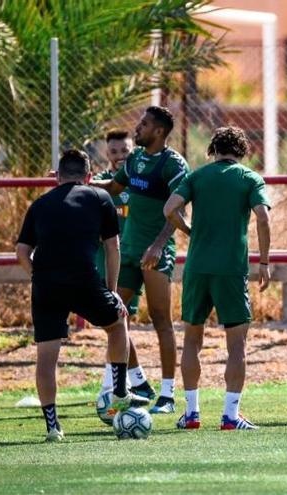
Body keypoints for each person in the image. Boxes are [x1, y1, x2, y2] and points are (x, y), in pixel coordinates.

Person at [16, 150, 149, 442]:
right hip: (84, 279)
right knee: (117, 324)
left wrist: (38, 275)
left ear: (58, 177)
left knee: (47, 356)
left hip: (46, 284)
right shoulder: (100, 198)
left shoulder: (39, 204)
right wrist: (113, 292)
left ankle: (53, 426)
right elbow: (113, 248)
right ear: (89, 176)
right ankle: (119, 392)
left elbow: (22, 252)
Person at [162, 126, 271, 430]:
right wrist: (264, 261)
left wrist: (189, 231)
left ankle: (192, 413)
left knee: (192, 340)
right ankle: (230, 415)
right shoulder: (249, 178)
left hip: (197, 268)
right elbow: (263, 217)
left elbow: (170, 208)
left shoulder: (197, 176)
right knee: (236, 345)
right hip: (231, 269)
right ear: (241, 151)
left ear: (213, 149)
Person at [92, 106, 189, 414]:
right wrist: (81, 182)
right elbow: (114, 187)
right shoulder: (134, 159)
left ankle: (168, 395)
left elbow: (179, 210)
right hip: (129, 250)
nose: (138, 127)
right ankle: (127, 386)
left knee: (162, 320)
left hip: (156, 253)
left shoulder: (172, 164)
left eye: (144, 124)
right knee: (114, 318)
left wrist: (159, 245)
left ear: (159, 131)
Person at [94, 130, 142, 399]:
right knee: (117, 323)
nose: (119, 156)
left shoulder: (140, 182)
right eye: (114, 152)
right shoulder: (101, 182)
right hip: (107, 260)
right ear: (106, 155)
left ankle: (115, 384)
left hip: (133, 258)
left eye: (124, 151)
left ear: (132, 150)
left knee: (120, 322)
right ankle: (124, 382)